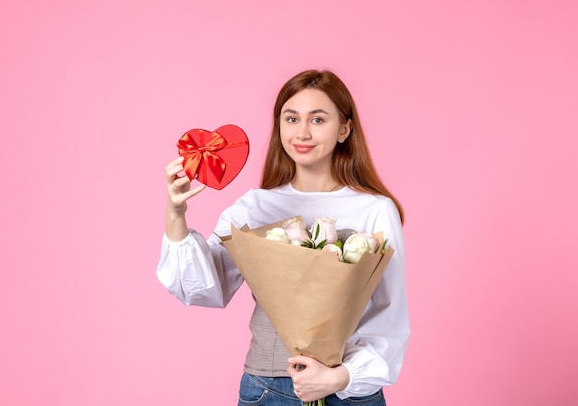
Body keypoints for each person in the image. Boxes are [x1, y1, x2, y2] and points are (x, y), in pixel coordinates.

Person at [157, 69, 410, 406]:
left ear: (344, 129)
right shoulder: (255, 207)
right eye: (291, 118)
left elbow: (389, 316)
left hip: (350, 394)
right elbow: (205, 288)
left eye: (318, 120)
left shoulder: (375, 210)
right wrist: (176, 214)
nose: (302, 132)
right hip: (268, 390)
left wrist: (339, 377)